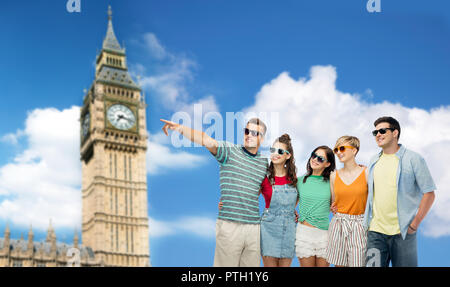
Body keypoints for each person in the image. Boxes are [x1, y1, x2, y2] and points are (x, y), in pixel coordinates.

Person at [161, 117, 268, 267]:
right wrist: (180, 128)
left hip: (254, 229)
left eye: (255, 133)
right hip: (230, 225)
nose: (249, 135)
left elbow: (263, 188)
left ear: (262, 140)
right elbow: (206, 140)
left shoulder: (264, 163)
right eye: (247, 131)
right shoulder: (229, 151)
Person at [364, 116, 436, 267]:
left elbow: (429, 193)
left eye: (382, 131)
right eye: (375, 132)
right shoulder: (373, 161)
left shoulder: (413, 159)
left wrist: (414, 225)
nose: (378, 135)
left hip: (403, 233)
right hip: (375, 233)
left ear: (395, 133)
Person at [326, 136, 368, 267]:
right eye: (336, 149)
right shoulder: (333, 176)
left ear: (354, 150)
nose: (338, 152)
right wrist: (331, 207)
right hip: (338, 225)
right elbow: (333, 203)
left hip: (360, 225)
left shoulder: (367, 173)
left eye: (342, 148)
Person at [259, 134, 298, 267]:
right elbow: (249, 198)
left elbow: (298, 199)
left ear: (288, 155)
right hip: (268, 228)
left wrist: (291, 211)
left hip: (289, 229)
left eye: (280, 151)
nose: (275, 154)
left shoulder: (294, 180)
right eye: (273, 150)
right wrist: (228, 204)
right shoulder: (264, 177)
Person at [296, 146, 336, 267]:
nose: (315, 159)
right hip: (304, 234)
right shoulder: (299, 181)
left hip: (324, 235)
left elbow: (335, 205)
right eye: (314, 155)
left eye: (320, 158)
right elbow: (290, 204)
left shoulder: (332, 182)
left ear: (328, 164)